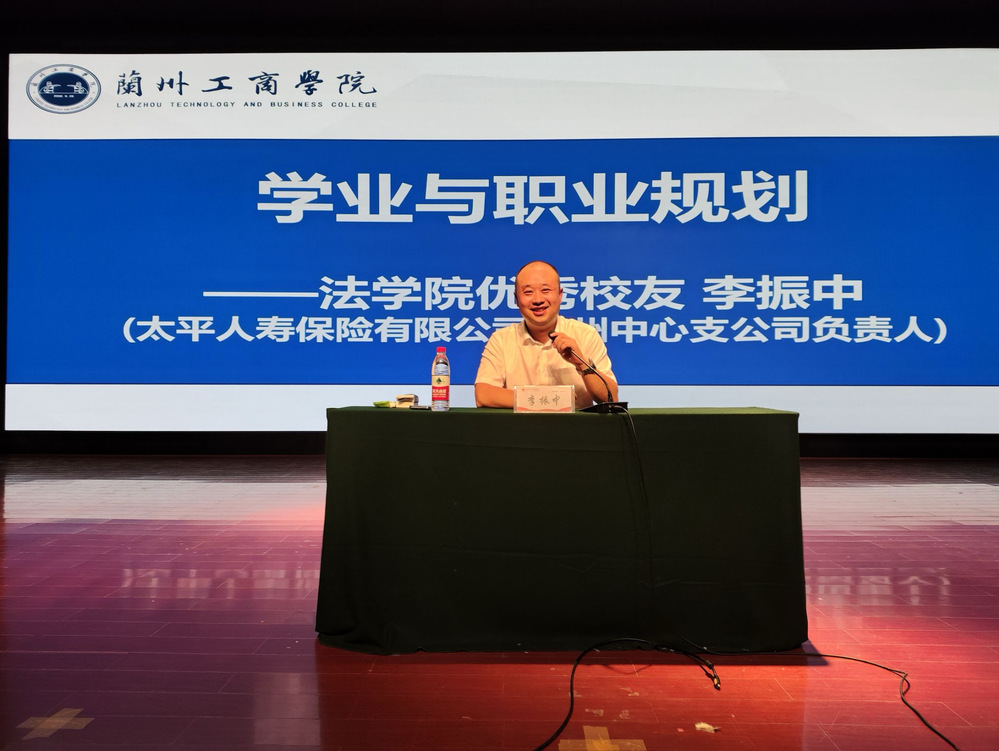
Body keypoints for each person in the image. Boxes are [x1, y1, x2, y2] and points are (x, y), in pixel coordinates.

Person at [474, 260, 619, 409]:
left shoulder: (586, 334)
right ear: (516, 299)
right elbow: (483, 395)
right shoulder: (501, 339)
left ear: (560, 295)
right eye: (528, 292)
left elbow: (611, 398)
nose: (538, 300)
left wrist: (582, 364)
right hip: (520, 425)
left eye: (546, 290)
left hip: (575, 424)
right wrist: (551, 399)